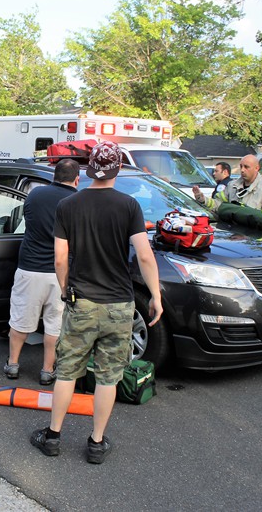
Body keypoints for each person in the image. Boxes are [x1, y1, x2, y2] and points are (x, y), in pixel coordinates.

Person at [30, 141, 163, 464]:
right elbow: (144, 255)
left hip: (82, 302)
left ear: (90, 169)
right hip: (119, 304)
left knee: (67, 372)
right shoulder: (129, 206)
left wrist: (65, 288)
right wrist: (156, 296)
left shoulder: (69, 205)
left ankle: (53, 436)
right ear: (117, 169)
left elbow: (61, 259)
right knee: (108, 376)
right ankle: (96, 442)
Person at [4, 158, 79, 386]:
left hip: (30, 268)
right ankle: (47, 370)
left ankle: (13, 364)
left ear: (54, 175)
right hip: (60, 272)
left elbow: (27, 221)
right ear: (76, 179)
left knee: (20, 320)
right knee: (54, 323)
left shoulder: (35, 195)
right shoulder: (76, 201)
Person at [192, 154, 262, 223]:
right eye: (241, 166)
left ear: (257, 168)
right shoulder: (232, 185)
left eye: (246, 167)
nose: (242, 170)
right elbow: (218, 204)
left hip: (254, 240)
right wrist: (203, 199)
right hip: (233, 232)